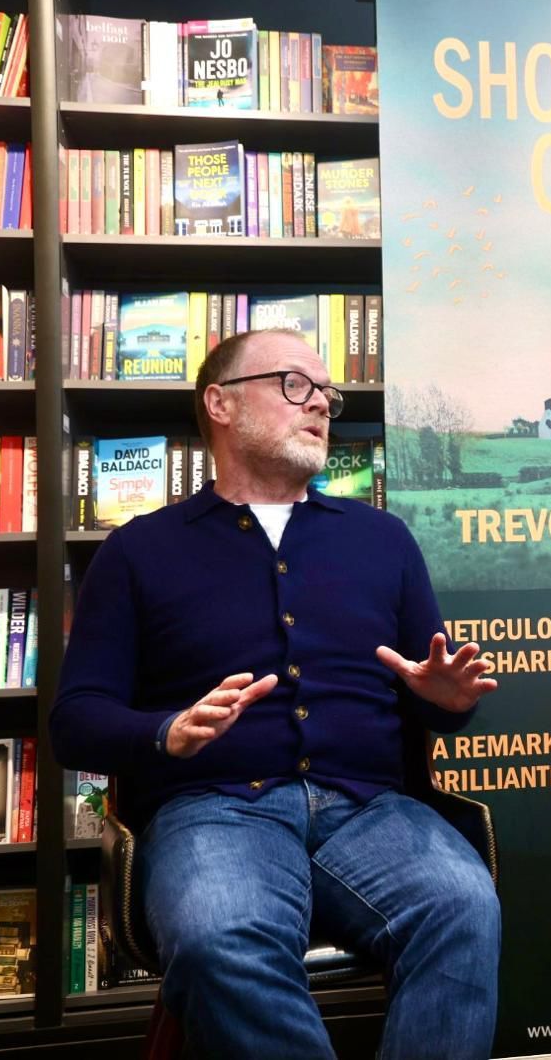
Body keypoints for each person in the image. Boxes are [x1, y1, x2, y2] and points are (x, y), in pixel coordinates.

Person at [51, 329, 501, 1060]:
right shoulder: (138, 551)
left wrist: (446, 700)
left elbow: (432, 697)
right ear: (220, 403)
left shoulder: (383, 540)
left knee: (464, 907)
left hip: (369, 809)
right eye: (297, 384)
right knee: (218, 940)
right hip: (215, 808)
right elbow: (75, 721)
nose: (321, 404)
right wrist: (167, 731)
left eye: (327, 393)